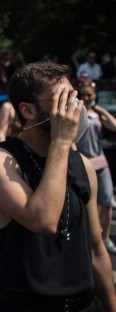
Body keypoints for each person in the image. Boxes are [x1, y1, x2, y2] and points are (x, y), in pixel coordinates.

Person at [0, 62, 116, 312]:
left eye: (73, 96)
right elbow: (43, 221)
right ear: (28, 110)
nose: (73, 107)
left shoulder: (83, 166)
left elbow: (96, 250)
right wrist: (62, 142)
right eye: (61, 100)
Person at [75, 83, 116, 253]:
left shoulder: (97, 116)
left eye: (89, 95)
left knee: (107, 202)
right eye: (83, 95)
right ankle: (89, 240)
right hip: (83, 163)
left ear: (95, 96)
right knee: (85, 205)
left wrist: (101, 109)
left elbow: (114, 126)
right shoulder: (76, 115)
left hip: (101, 163)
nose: (86, 98)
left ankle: (105, 238)